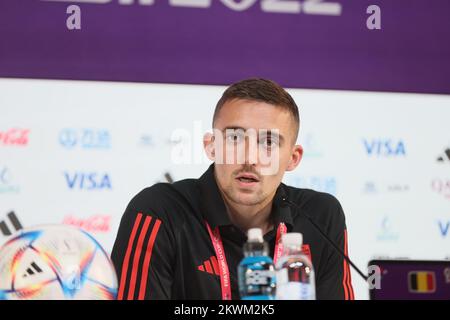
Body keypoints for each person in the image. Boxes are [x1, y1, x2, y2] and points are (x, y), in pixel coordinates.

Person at [111, 78, 355, 300]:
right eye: (235, 138)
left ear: (293, 158)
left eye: (268, 142)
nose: (249, 157)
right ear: (211, 146)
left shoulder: (321, 216)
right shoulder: (159, 211)